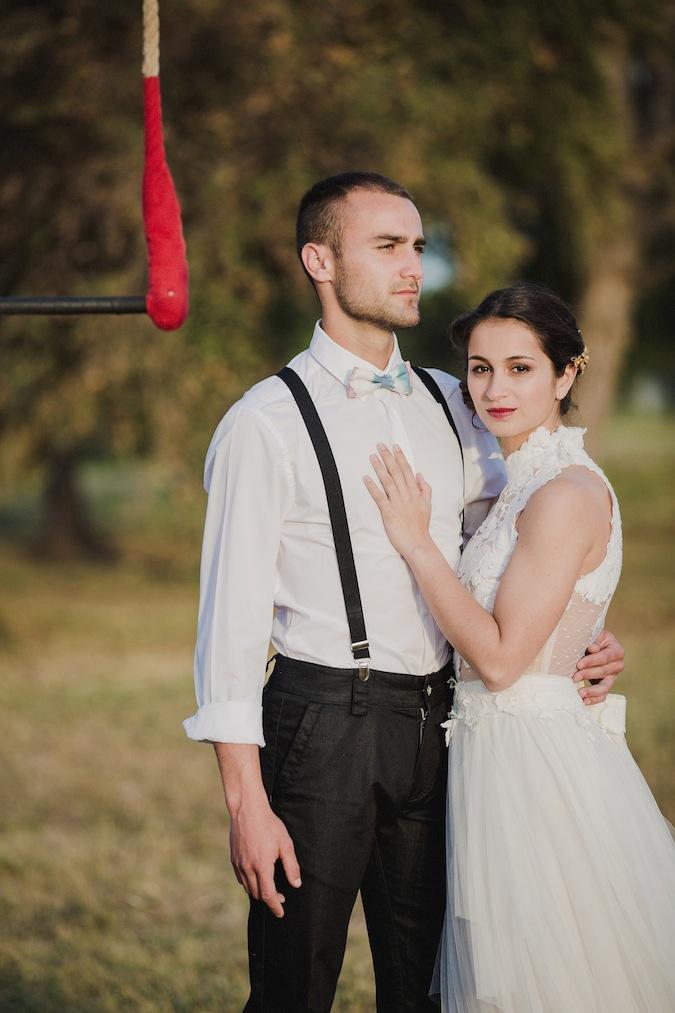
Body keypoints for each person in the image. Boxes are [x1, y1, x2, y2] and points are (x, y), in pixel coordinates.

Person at [183, 174, 625, 1013]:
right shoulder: (264, 422)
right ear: (320, 259)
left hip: (442, 727)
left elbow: (536, 523)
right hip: (322, 725)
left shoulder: (452, 400)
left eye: (417, 246)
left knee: (430, 984)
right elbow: (228, 631)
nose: (412, 266)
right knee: (293, 983)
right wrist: (246, 802)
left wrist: (578, 634)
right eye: (386, 246)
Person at [366, 281, 675, 1012]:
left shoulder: (563, 492)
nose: (494, 388)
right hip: (492, 754)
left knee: (558, 978)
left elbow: (502, 661)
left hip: (535, 768)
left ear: (566, 373)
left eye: (520, 367)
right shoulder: (516, 480)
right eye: (479, 368)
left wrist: (417, 544)